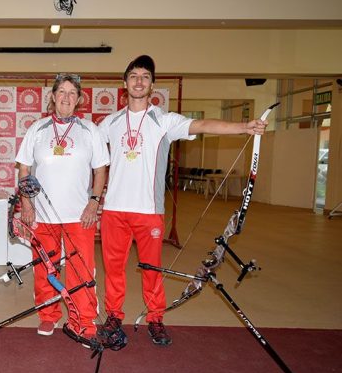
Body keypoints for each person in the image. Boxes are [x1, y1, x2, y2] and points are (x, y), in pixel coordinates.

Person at [98, 55, 268, 346]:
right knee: (114, 270)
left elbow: (202, 124)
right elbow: (93, 158)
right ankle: (114, 315)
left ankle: (155, 319)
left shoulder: (164, 120)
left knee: (152, 269)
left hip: (148, 212)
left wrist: (244, 127)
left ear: (151, 85)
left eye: (145, 77)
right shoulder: (109, 123)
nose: (139, 81)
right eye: (134, 76)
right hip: (114, 210)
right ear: (124, 84)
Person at [15, 74, 109, 338]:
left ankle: (84, 321)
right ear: (53, 97)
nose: (66, 97)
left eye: (72, 93)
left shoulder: (91, 130)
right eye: (62, 92)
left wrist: (94, 202)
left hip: (80, 215)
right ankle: (48, 315)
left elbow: (101, 170)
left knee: (81, 270)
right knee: (45, 268)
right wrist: (27, 204)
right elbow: (24, 170)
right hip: (42, 215)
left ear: (79, 99)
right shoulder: (37, 129)